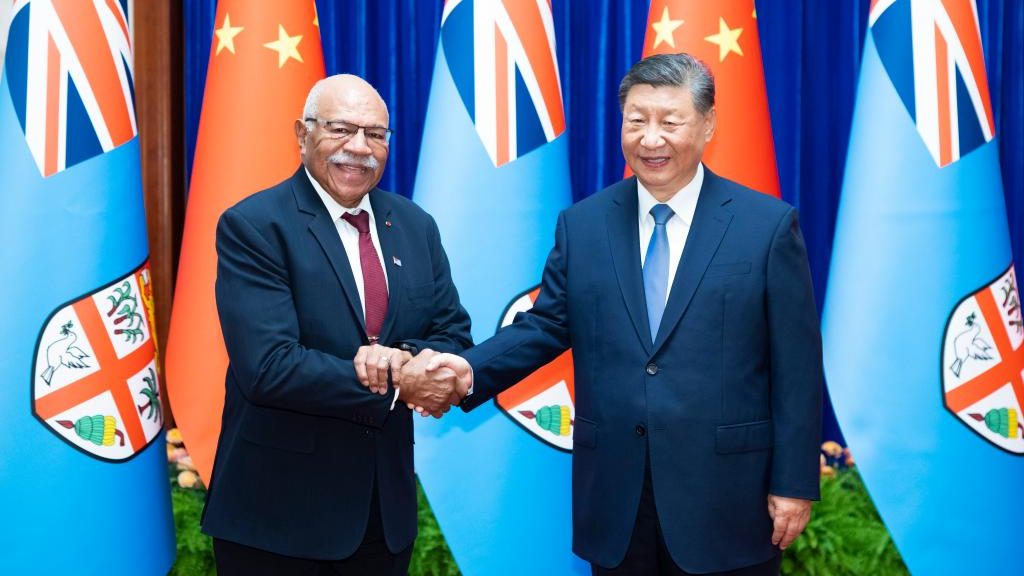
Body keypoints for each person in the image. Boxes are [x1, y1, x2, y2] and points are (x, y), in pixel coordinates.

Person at [426, 53, 823, 575]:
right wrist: (470, 369)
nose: (650, 138)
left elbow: (795, 367)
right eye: (636, 120)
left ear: (707, 124)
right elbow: (547, 325)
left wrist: (793, 483)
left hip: (727, 500)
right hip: (617, 500)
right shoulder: (584, 225)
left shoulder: (766, 227)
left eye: (669, 121)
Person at [202, 74, 472, 576]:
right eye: (341, 129)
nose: (359, 148)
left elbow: (453, 334)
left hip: (382, 517)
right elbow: (269, 367)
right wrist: (395, 378)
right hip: (278, 518)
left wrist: (402, 357)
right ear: (303, 135)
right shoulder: (255, 225)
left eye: (375, 134)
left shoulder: (415, 226)